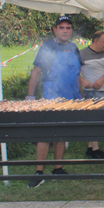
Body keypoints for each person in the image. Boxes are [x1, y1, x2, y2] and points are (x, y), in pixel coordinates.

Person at [26, 16, 83, 188]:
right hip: (51, 97)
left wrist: (80, 95)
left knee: (62, 134)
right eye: (62, 28)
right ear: (55, 30)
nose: (65, 31)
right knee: (45, 135)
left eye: (68, 28)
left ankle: (58, 168)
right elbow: (36, 72)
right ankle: (39, 172)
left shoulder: (74, 48)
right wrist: (30, 97)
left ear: (71, 31)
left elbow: (77, 74)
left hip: (71, 97)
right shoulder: (48, 47)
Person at [80, 31, 104, 159]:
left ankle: (91, 148)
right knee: (94, 120)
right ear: (96, 41)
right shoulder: (82, 54)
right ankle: (95, 149)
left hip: (102, 90)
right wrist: (83, 81)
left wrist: (101, 80)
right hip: (90, 92)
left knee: (99, 119)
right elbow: (74, 71)